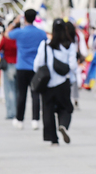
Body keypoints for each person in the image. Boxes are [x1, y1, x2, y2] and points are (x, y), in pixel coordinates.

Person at [33, 18, 78, 146]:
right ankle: (63, 125)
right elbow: (73, 66)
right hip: (63, 83)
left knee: (48, 111)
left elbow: (37, 64)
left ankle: (53, 139)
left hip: (47, 83)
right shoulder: (70, 46)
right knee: (65, 108)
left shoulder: (45, 45)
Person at [6, 9, 49, 130]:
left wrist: (15, 22)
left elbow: (6, 34)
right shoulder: (41, 33)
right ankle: (35, 120)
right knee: (35, 94)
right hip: (36, 68)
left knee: (22, 94)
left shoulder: (20, 32)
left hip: (21, 67)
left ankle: (19, 119)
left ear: (24, 18)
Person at [0, 24, 19, 121]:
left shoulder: (6, 38)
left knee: (9, 89)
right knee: (17, 90)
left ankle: (11, 112)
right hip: (18, 64)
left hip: (8, 64)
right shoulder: (19, 38)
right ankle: (18, 111)